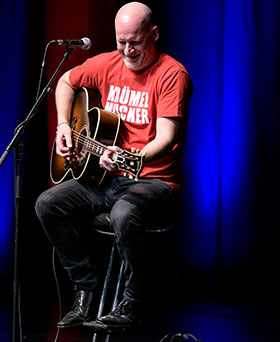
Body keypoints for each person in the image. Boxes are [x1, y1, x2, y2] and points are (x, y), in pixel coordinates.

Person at [35, 2, 192, 329]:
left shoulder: (171, 74)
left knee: (123, 213)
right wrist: (64, 126)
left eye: (134, 41)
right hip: (106, 179)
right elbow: (65, 81)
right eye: (121, 42)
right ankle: (84, 288)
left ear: (154, 34)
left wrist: (131, 157)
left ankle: (134, 302)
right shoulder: (107, 62)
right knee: (47, 204)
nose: (127, 50)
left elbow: (167, 137)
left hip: (154, 182)